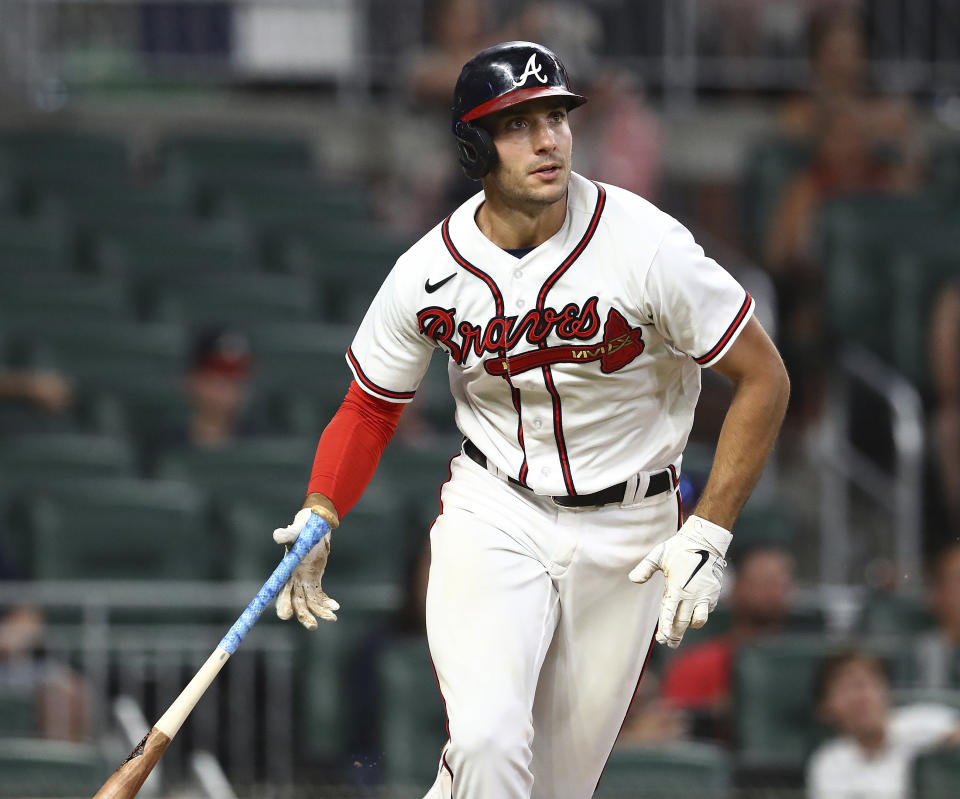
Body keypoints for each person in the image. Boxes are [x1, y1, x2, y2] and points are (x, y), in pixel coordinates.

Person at [271, 41, 790, 799]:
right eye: (518, 125)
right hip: (497, 511)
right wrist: (322, 504)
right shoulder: (430, 270)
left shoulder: (644, 244)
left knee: (548, 789)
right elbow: (369, 408)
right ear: (473, 147)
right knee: (485, 744)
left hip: (630, 533)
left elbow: (764, 377)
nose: (548, 140)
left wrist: (708, 530)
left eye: (556, 118)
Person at [660, 543, 797, 741]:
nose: (772, 592)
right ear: (736, 589)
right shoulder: (696, 665)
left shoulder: (805, 665)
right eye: (762, 583)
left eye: (780, 583)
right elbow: (675, 728)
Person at [807, 649, 960, 799]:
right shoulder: (828, 763)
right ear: (826, 708)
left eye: (867, 683)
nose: (861, 697)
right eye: (847, 688)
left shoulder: (919, 722)